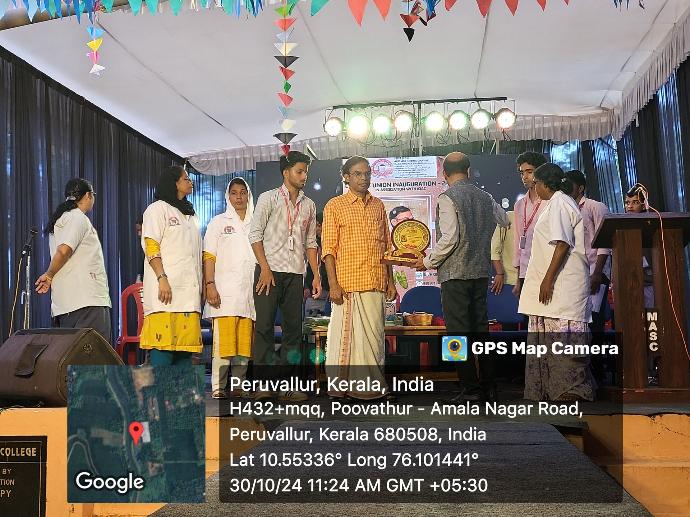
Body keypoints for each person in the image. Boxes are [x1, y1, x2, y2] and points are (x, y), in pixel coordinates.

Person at [414, 152, 508, 403]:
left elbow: (450, 238)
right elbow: (504, 220)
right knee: (481, 331)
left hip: (455, 274)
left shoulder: (447, 197)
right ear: (469, 170)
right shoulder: (485, 196)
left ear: (444, 173)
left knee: (456, 333)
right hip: (480, 272)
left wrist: (427, 262)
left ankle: (469, 388)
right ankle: (489, 386)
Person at [518, 163, 596, 402]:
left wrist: (547, 280)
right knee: (548, 341)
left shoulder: (560, 203)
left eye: (536, 184)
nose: (534, 188)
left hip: (562, 286)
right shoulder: (555, 203)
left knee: (562, 342)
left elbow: (562, 244)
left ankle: (570, 391)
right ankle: (551, 390)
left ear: (545, 184)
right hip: (555, 288)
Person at [322, 156, 397, 400]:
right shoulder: (335, 205)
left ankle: (371, 386)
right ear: (346, 177)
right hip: (348, 284)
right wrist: (333, 284)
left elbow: (386, 247)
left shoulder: (378, 205)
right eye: (357, 174)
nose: (363, 178)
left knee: (374, 338)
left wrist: (391, 281)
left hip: (376, 280)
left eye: (367, 173)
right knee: (349, 339)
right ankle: (346, 388)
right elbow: (328, 249)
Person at [249, 151, 321, 401]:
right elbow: (255, 235)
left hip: (296, 273)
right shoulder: (268, 198)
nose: (304, 176)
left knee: (293, 331)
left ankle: (289, 385)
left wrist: (315, 275)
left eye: (306, 172)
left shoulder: (309, 205)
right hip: (268, 272)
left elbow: (310, 243)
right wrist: (265, 268)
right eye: (299, 171)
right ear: (286, 172)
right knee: (264, 328)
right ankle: (263, 385)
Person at [139, 166, 202, 366]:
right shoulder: (157, 209)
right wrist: (162, 278)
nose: (190, 182)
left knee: (185, 353)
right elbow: (151, 246)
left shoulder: (191, 215)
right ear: (174, 183)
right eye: (186, 179)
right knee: (163, 352)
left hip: (188, 296)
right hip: (165, 291)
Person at [36, 178, 112, 342]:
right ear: (88, 195)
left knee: (73, 356)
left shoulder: (61, 219)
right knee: (96, 354)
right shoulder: (77, 218)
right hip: (86, 302)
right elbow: (64, 251)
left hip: (68, 304)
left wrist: (50, 275)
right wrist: (49, 275)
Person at [203, 178, 256, 399]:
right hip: (224, 292)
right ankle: (218, 386)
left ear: (248, 195)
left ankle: (238, 385)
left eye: (243, 192)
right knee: (223, 344)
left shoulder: (257, 222)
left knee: (244, 344)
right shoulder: (218, 222)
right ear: (228, 196)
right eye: (234, 193)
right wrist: (210, 285)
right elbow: (209, 256)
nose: (239, 197)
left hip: (249, 292)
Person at [564, 170, 611, 333]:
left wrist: (597, 273)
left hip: (594, 271)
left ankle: (598, 351)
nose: (565, 187)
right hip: (573, 274)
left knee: (594, 322)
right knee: (577, 323)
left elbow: (605, 243)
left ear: (580, 188)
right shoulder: (565, 209)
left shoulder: (595, 207)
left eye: (569, 184)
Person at [512, 152, 549, 298]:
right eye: (522, 173)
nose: (525, 177)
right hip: (525, 269)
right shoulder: (519, 205)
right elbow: (518, 240)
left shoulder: (551, 201)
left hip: (547, 267)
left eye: (529, 172)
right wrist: (518, 277)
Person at [304, 212, 330, 316]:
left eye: (319, 225)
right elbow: (308, 268)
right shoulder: (313, 244)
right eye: (316, 226)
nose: (317, 229)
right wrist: (306, 287)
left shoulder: (332, 245)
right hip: (312, 293)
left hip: (328, 293)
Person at [490, 210, 518, 294]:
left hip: (532, 279)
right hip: (507, 280)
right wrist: (500, 273)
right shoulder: (508, 217)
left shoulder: (541, 218)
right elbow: (494, 249)